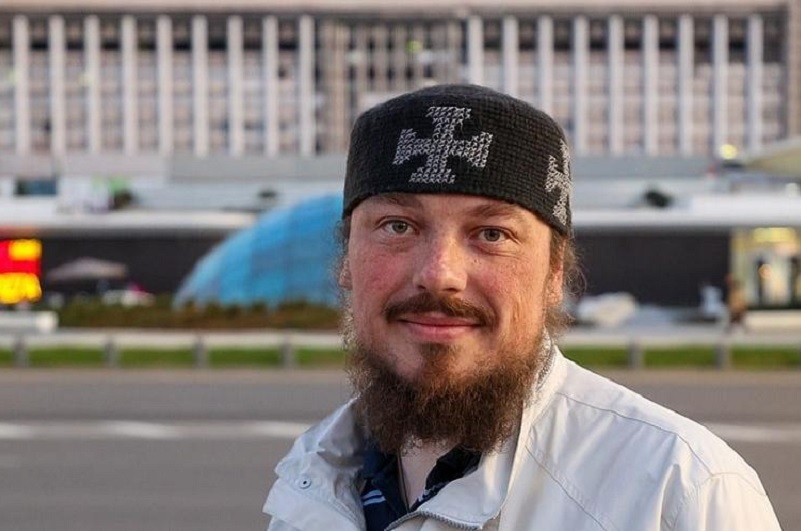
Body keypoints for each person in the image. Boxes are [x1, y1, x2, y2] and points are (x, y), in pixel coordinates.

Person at [263, 84, 781, 530]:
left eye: (492, 233)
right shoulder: (312, 481)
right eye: (397, 226)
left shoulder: (679, 493)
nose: (440, 274)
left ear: (554, 273)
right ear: (346, 260)